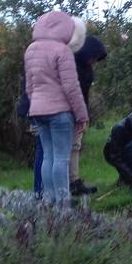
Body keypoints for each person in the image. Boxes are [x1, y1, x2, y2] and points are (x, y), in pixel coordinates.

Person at [24, 11, 88, 207]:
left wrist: (36, 104)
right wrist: (81, 115)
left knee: (48, 157)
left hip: (38, 110)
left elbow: (29, 86)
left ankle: (48, 201)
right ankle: (63, 205)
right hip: (60, 112)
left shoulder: (31, 49)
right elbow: (71, 87)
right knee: (61, 159)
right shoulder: (62, 50)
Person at [69, 34, 108, 195]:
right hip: (69, 111)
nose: (95, 61)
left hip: (79, 110)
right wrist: (80, 113)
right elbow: (75, 92)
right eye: (94, 57)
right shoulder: (73, 66)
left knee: (76, 146)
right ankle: (69, 183)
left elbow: (84, 94)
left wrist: (84, 113)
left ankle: (74, 180)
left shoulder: (86, 68)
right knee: (68, 148)